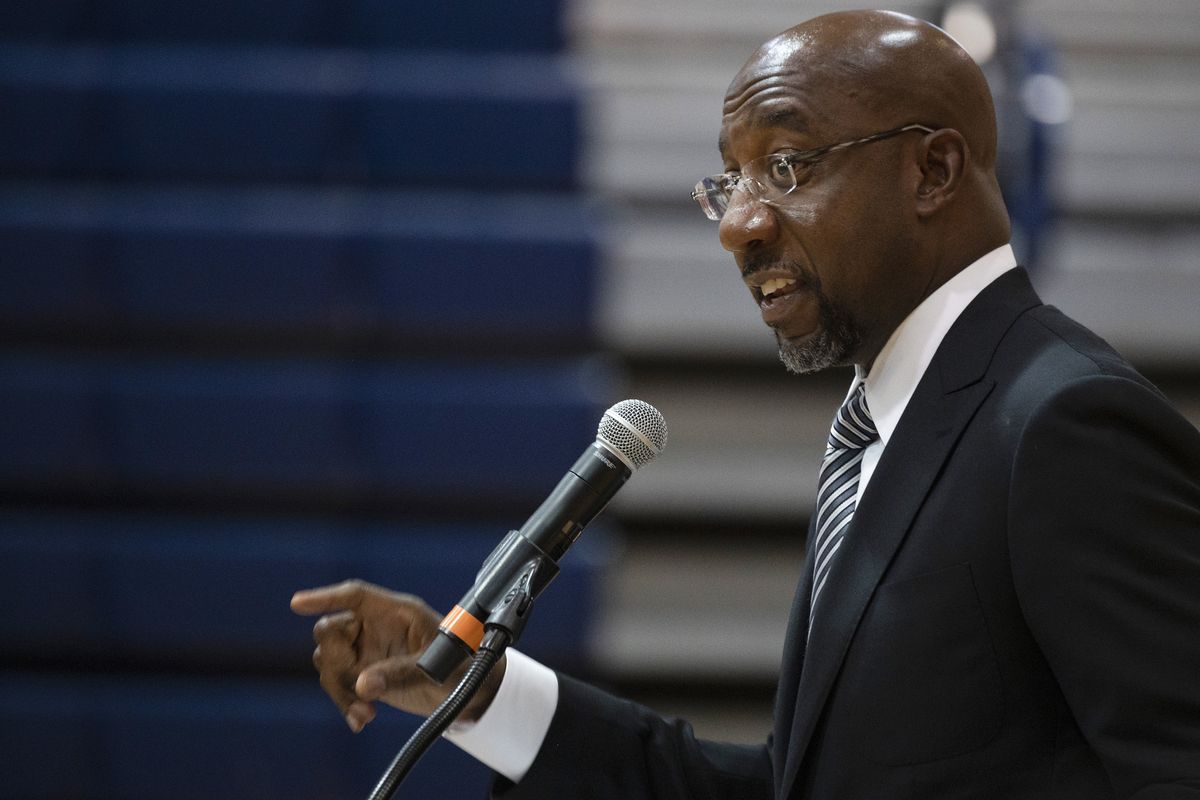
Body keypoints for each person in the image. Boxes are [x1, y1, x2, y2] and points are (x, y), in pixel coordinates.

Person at [291, 10, 1200, 798]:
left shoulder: (1064, 426)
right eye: (731, 181)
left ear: (933, 171)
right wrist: (480, 694)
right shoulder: (891, 430)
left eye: (788, 165)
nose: (738, 225)